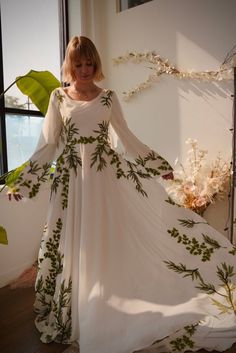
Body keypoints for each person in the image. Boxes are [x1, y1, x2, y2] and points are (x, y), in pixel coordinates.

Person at [7, 36, 236, 353]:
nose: (85, 69)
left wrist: (158, 165)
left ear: (96, 64)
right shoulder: (58, 98)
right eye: (79, 63)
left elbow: (126, 137)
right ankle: (78, 303)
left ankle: (105, 298)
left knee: (107, 238)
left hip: (105, 179)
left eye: (89, 63)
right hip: (72, 182)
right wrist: (25, 181)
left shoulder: (108, 98)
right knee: (74, 243)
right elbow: (47, 145)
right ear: (71, 66)